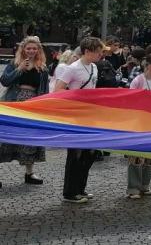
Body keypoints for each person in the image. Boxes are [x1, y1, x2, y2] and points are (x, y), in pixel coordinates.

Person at [54, 37, 104, 203]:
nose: (100, 55)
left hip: (91, 115)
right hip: (76, 116)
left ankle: (80, 188)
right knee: (75, 153)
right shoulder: (72, 68)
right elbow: (58, 90)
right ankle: (70, 192)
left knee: (89, 152)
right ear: (87, 51)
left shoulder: (94, 67)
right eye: (98, 52)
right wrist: (76, 101)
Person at [0, 36, 49, 186]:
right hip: (14, 103)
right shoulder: (13, 63)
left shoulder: (42, 67)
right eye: (28, 48)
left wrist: (44, 107)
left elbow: (45, 90)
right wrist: (19, 69)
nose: (31, 51)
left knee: (29, 138)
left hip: (33, 104)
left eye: (34, 48)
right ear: (23, 49)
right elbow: (5, 80)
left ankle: (29, 173)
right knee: (5, 138)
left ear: (38, 50)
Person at [126, 54, 151, 199]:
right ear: (149, 65)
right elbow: (131, 99)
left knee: (149, 155)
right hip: (139, 122)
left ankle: (145, 185)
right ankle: (133, 188)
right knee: (136, 155)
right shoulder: (138, 80)